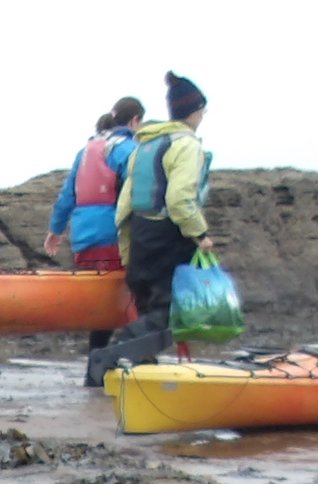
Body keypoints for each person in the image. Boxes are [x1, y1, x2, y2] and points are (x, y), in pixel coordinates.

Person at [93, 72, 213, 379]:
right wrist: (200, 234)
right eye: (203, 110)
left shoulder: (145, 146)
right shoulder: (186, 146)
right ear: (195, 111)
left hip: (142, 237)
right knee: (169, 316)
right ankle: (105, 359)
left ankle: (135, 379)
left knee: (148, 312)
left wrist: (128, 248)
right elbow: (180, 200)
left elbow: (125, 204)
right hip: (167, 239)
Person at [41, 95, 141, 383]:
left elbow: (67, 196)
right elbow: (141, 187)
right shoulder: (126, 148)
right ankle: (132, 370)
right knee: (129, 302)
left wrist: (55, 230)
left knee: (102, 308)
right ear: (134, 120)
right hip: (113, 236)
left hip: (84, 239)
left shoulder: (85, 151)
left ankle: (93, 375)